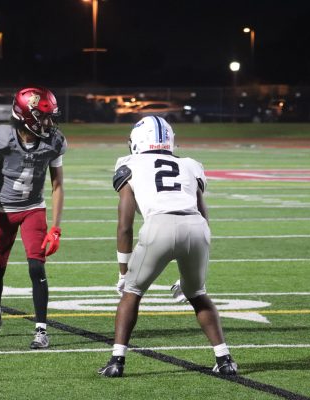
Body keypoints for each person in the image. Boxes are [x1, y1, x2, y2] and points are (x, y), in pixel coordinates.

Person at [98, 116, 237, 377]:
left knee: (132, 291)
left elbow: (124, 225)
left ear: (137, 141)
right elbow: (203, 215)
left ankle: (117, 360)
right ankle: (224, 358)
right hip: (196, 227)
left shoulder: (129, 164)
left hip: (158, 226)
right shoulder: (189, 165)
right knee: (197, 293)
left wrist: (122, 269)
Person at [0, 86, 67, 349]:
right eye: (44, 117)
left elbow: (58, 185)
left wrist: (57, 227)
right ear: (26, 116)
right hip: (3, 211)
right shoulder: (1, 138)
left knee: (37, 266)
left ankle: (41, 329)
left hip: (33, 209)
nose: (49, 123)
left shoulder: (53, 141)